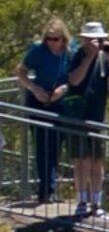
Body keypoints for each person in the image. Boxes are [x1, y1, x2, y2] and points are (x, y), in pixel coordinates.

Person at [59, 21, 109, 218]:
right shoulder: (76, 55)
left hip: (98, 117)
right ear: (84, 39)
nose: (96, 42)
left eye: (100, 39)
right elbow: (74, 80)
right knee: (82, 161)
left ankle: (97, 202)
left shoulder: (106, 58)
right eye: (92, 39)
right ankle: (82, 201)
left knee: (97, 162)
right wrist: (89, 58)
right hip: (78, 117)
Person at [22, 18, 69, 204]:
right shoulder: (37, 50)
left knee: (56, 145)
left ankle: (52, 187)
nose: (52, 43)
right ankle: (45, 189)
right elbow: (21, 71)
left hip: (60, 101)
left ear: (63, 38)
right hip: (38, 99)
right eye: (49, 39)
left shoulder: (71, 51)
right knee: (41, 145)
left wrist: (64, 89)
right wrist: (34, 89)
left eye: (56, 39)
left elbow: (76, 77)